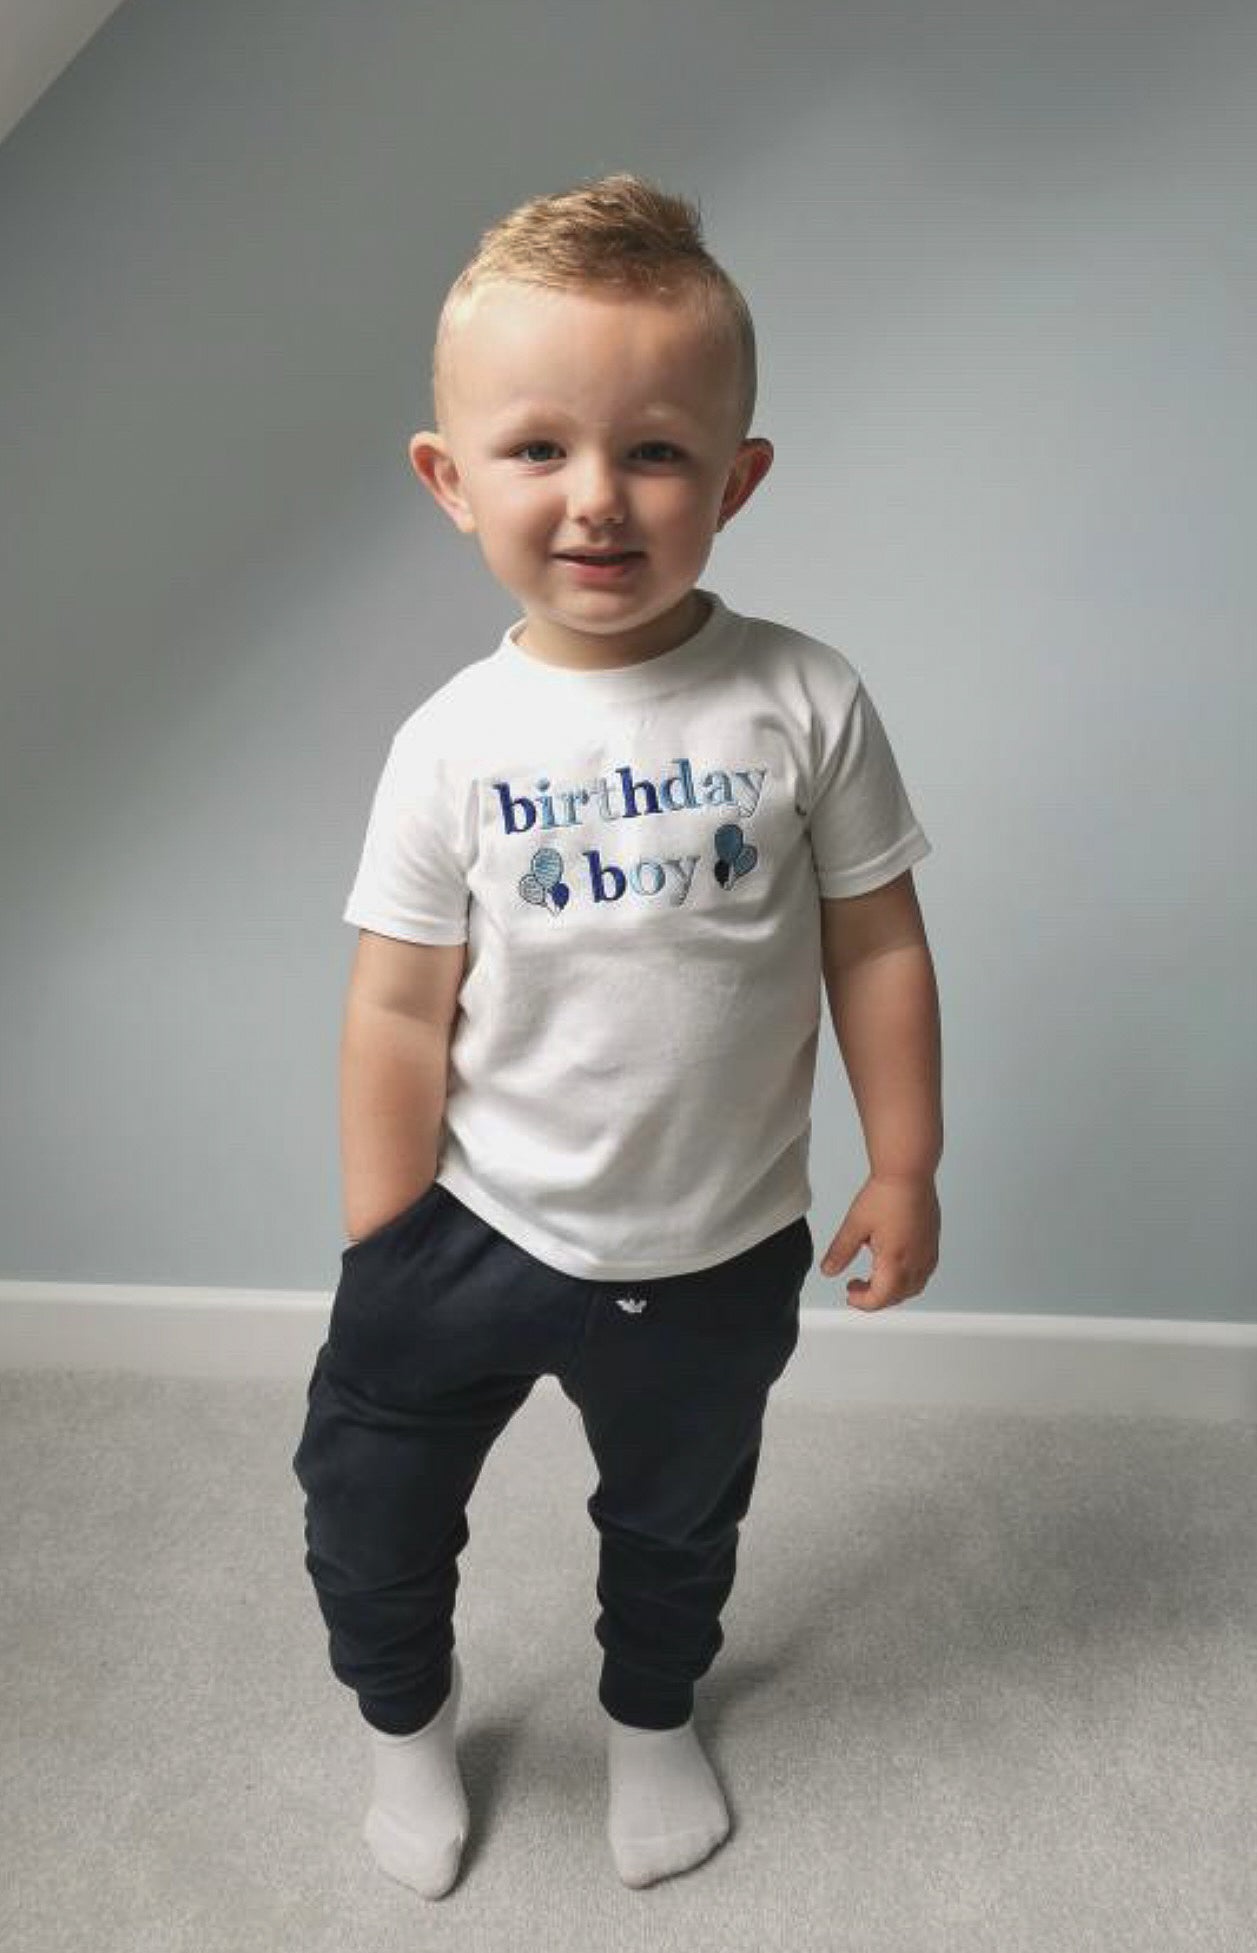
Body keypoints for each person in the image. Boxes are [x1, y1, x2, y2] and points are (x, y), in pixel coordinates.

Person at [291, 171, 943, 1900]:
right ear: (452, 480)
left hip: (720, 1241)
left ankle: (653, 1714)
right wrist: (386, 1235)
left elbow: (873, 938)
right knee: (370, 1501)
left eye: (655, 451)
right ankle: (404, 1727)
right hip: (476, 1228)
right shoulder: (454, 741)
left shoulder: (806, 698)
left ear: (734, 479)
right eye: (537, 450)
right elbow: (394, 999)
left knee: (675, 1513)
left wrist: (904, 1159)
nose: (596, 500)